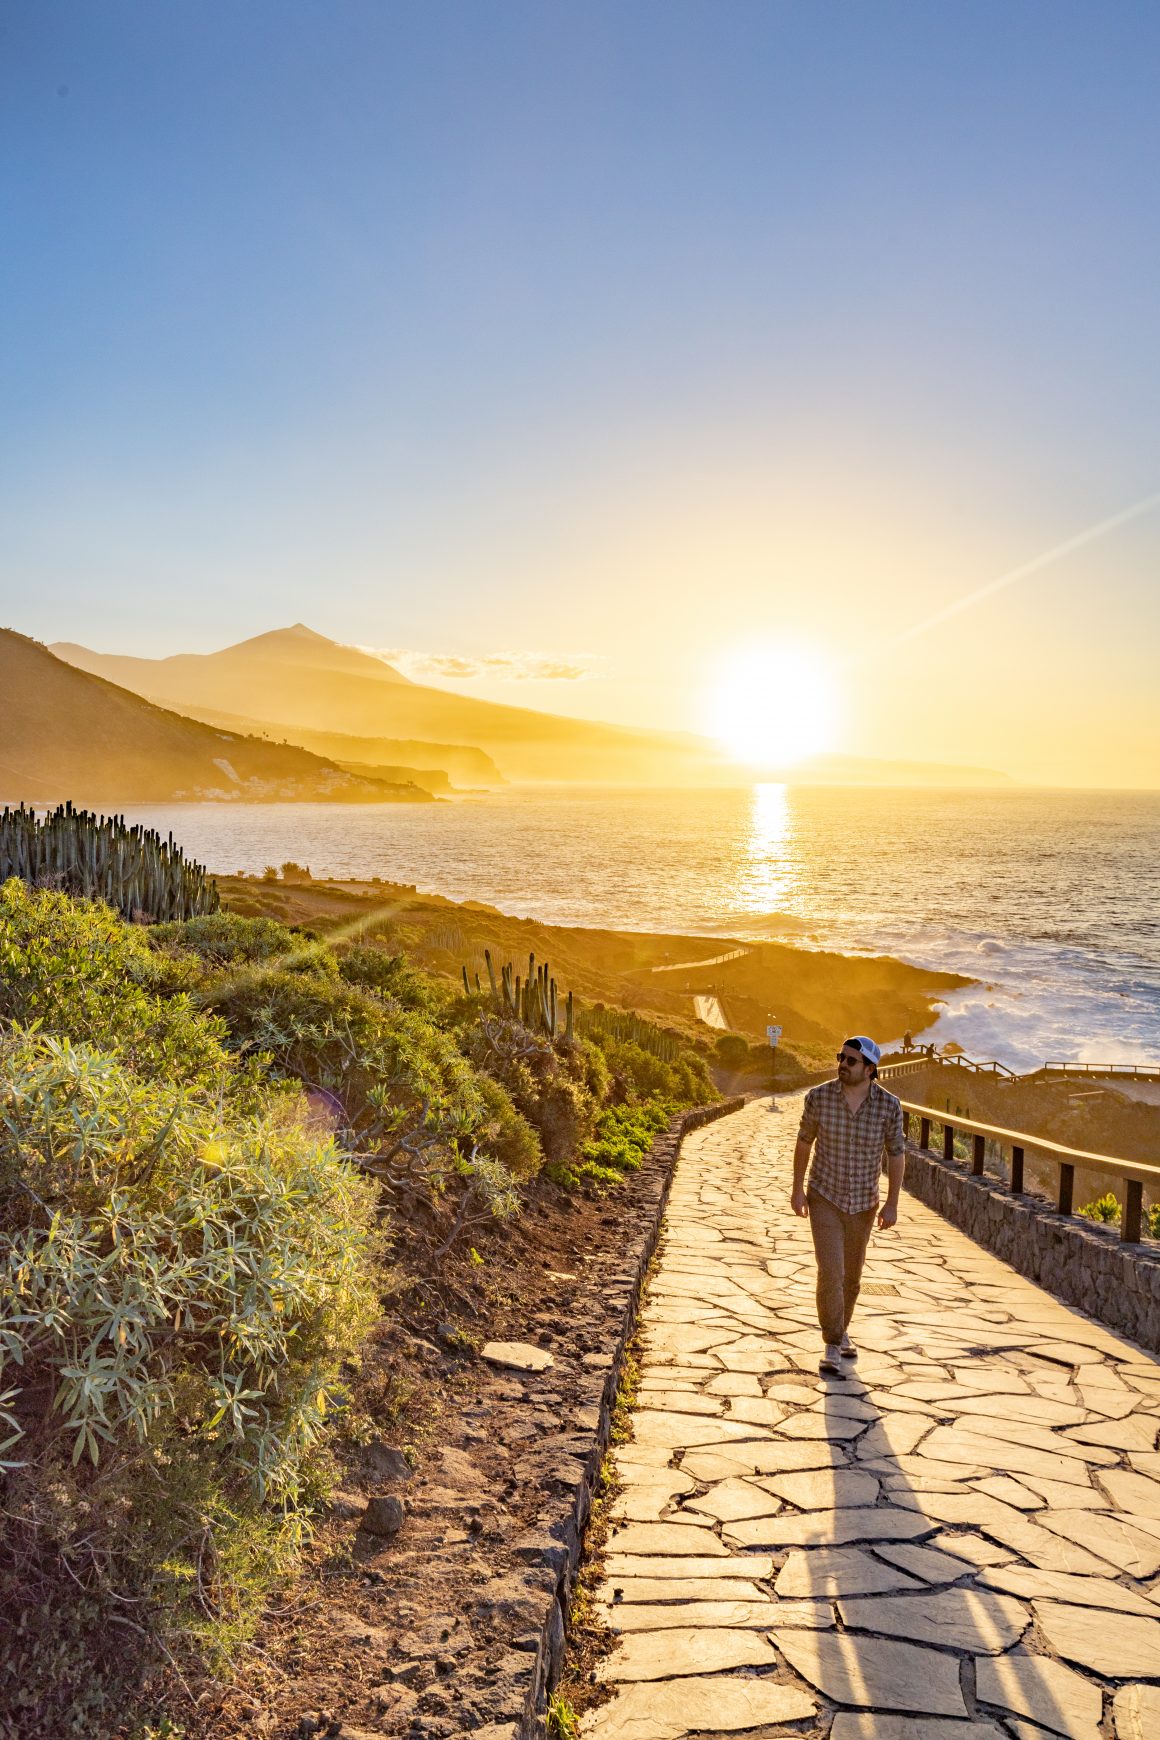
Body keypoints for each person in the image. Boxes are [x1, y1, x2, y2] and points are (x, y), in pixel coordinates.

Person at [790, 1036, 905, 1376]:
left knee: (852, 1279)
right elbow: (803, 1142)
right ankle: (831, 1343)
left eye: (851, 1061)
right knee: (831, 1271)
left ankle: (840, 1332)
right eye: (841, 1057)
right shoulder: (819, 1097)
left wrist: (893, 1203)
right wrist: (797, 1189)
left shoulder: (889, 1106)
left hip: (864, 1203)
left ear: (870, 1069)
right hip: (824, 1195)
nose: (843, 1064)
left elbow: (897, 1154)